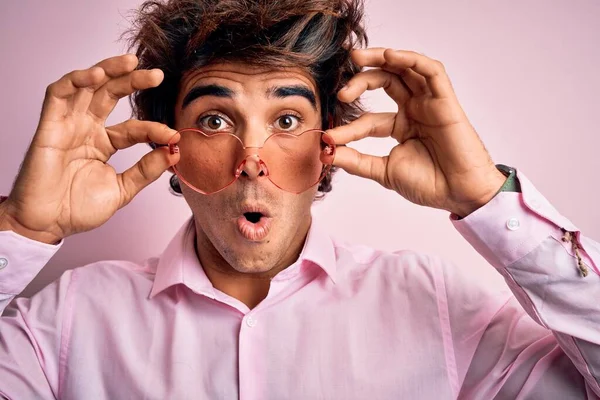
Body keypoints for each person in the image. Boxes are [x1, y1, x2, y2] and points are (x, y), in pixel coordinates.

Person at [0, 0, 598, 398]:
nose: (251, 161)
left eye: (287, 121)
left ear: (329, 144)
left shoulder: (441, 310)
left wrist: (490, 200)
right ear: (169, 145)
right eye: (213, 121)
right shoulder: (66, 322)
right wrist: (20, 228)